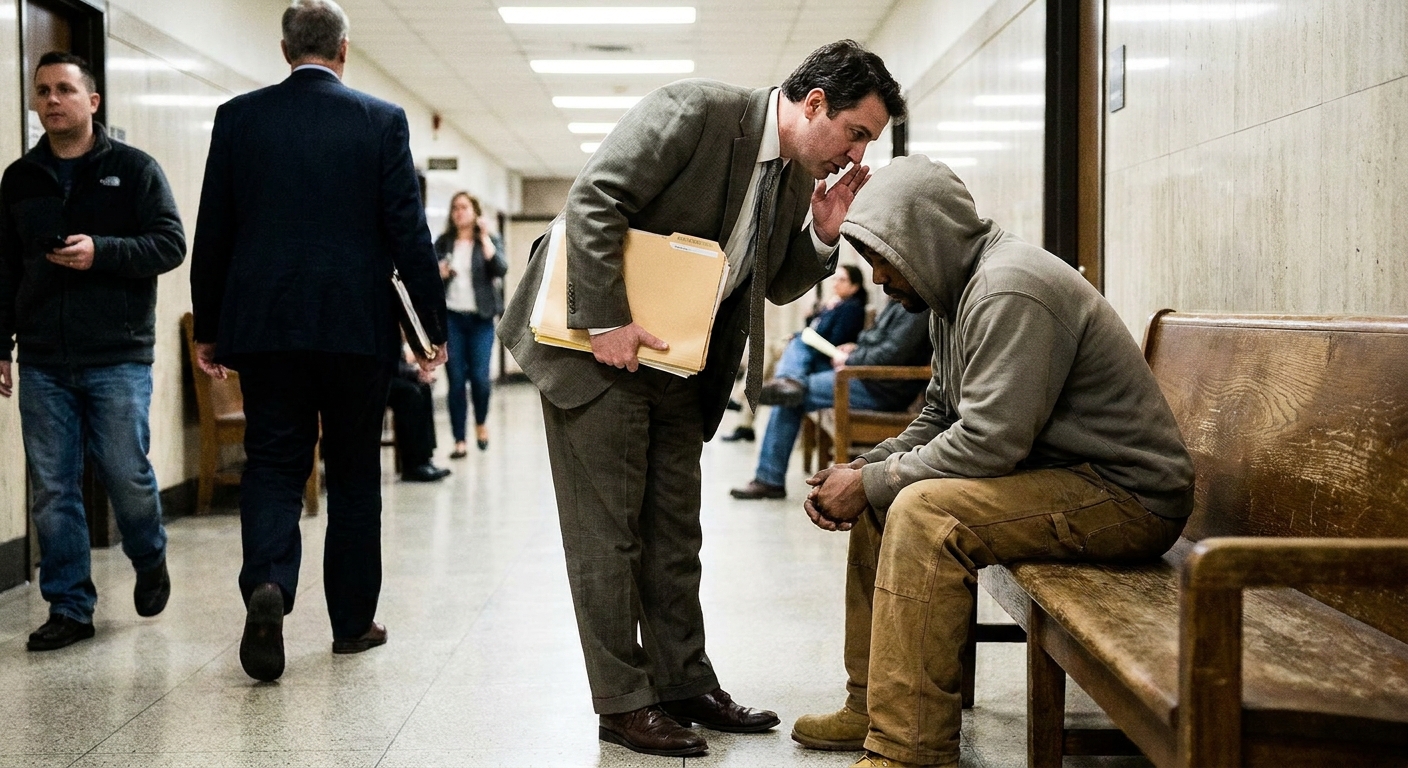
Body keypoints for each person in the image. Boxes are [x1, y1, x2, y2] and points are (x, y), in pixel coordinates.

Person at [499, 40, 906, 758]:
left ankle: (684, 682)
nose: (854, 152)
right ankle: (623, 704)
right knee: (610, 535)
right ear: (816, 105)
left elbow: (775, 282)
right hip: (596, 347)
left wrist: (822, 232)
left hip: (676, 361)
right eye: (856, 132)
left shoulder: (786, 174)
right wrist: (606, 320)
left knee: (674, 534)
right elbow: (596, 197)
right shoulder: (696, 111)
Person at [792, 155, 1195, 768]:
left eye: (882, 257)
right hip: (1059, 476)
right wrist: (866, 471)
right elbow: (939, 414)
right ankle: (873, 705)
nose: (876, 276)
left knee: (926, 512)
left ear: (920, 239)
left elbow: (988, 442)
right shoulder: (951, 294)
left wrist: (875, 479)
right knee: (887, 495)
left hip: (1126, 496)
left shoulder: (1009, 288)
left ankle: (910, 749)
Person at [189, 0, 447, 682]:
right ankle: (352, 623)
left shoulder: (239, 118)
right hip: (355, 327)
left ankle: (269, 584)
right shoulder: (381, 120)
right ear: (344, 49)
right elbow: (408, 233)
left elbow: (214, 229)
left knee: (274, 462)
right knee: (356, 470)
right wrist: (431, 330)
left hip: (266, 328)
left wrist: (210, 328)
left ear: (284, 49)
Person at [0, 52, 185, 651]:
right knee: (53, 488)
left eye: (65, 90)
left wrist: (100, 251)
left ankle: (149, 553)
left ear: (92, 102)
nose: (52, 100)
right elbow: (4, 267)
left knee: (126, 475)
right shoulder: (20, 178)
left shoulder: (134, 170)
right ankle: (70, 606)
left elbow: (169, 244)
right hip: (44, 357)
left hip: (117, 354)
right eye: (43, 91)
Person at [730, 297, 930, 500]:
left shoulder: (917, 308)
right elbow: (874, 340)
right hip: (865, 376)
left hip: (880, 387)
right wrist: (855, 349)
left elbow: (892, 355)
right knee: (799, 342)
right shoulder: (898, 301)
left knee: (789, 397)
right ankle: (790, 381)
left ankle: (770, 478)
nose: (880, 279)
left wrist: (850, 359)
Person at [719, 264, 868, 443]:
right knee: (768, 351)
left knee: (770, 353)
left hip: (820, 358)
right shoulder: (837, 304)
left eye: (842, 280)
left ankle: (742, 399)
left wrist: (823, 316)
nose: (836, 283)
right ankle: (745, 420)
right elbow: (814, 328)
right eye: (835, 279)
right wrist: (818, 314)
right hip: (810, 352)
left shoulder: (851, 308)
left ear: (855, 286)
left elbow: (832, 338)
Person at [435, 191, 506, 455]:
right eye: (455, 208)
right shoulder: (443, 243)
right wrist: (439, 273)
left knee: (479, 379)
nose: (459, 212)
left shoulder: (488, 240)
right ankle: (459, 440)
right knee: (455, 380)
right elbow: (428, 277)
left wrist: (485, 236)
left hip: (480, 319)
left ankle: (480, 422)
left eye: (464, 207)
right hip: (452, 317)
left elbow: (500, 268)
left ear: (475, 212)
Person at [388, 347, 451, 482]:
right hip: (375, 377)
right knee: (410, 394)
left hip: (389, 373)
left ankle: (425, 459)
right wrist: (414, 373)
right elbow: (387, 365)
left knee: (423, 388)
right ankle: (412, 465)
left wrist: (415, 372)